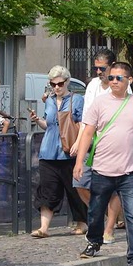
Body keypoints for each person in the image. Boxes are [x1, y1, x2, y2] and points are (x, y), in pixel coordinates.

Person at [74, 62, 133, 266]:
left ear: (129, 80)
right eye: (111, 78)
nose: (114, 82)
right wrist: (79, 161)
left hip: (129, 171)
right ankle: (94, 241)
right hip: (102, 168)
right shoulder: (99, 103)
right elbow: (87, 133)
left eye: (119, 78)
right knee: (96, 211)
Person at [28, 65, 88, 237]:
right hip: (48, 151)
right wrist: (38, 120)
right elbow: (49, 124)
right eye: (53, 84)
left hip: (68, 151)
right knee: (47, 189)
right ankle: (44, 228)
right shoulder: (49, 101)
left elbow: (83, 124)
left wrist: (78, 143)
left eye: (60, 84)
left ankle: (82, 223)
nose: (56, 88)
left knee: (75, 189)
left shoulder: (76, 100)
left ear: (67, 82)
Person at [74, 47, 125, 244]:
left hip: (114, 143)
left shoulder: (121, 84)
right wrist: (79, 141)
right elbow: (87, 119)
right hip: (93, 143)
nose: (98, 72)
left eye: (102, 68)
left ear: (112, 67)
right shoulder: (93, 86)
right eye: (96, 68)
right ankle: (105, 214)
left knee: (113, 187)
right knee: (79, 182)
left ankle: (109, 228)